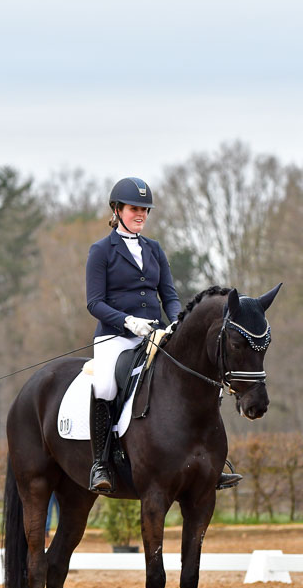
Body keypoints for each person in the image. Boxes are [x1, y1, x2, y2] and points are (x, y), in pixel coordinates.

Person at [86, 176, 240, 494]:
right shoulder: (101, 251)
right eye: (134, 208)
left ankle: (211, 460)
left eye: (145, 209)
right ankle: (100, 462)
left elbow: (169, 295)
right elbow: (94, 302)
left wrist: (176, 323)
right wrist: (128, 321)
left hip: (155, 335)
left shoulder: (154, 249)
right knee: (104, 383)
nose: (140, 214)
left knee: (198, 376)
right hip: (116, 336)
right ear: (116, 210)